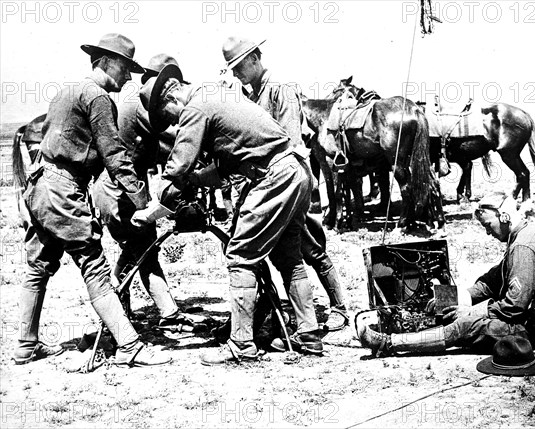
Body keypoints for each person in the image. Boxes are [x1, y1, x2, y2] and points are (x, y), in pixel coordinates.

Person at [131, 64, 324, 364]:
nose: (172, 124)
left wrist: (154, 211)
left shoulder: (195, 108)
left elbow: (178, 167)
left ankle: (242, 344)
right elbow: (225, 168)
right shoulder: (218, 93)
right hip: (294, 171)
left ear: (170, 99)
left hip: (273, 177)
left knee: (241, 255)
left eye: (167, 117)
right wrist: (196, 180)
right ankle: (309, 334)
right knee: (288, 254)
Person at [13, 33, 170, 367]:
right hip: (63, 190)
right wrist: (144, 203)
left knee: (37, 268)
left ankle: (26, 346)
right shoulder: (97, 97)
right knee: (94, 265)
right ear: (106, 62)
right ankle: (130, 347)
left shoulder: (67, 91)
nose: (129, 76)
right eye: (125, 67)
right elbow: (115, 156)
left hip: (41, 187)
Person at [222, 36, 349, 333]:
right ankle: (283, 316)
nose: (235, 73)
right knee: (280, 251)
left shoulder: (280, 90)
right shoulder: (252, 95)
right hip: (270, 184)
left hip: (288, 182)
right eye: (231, 68)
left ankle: (339, 306)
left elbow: (290, 142)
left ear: (254, 58)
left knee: (310, 247)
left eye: (238, 65)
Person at [357, 191, 535, 355]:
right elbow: (491, 282)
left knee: (464, 327)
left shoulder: (523, 247)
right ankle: (409, 331)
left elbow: (514, 307)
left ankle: (388, 343)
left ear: (504, 217)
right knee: (452, 312)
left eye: (488, 225)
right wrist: (448, 299)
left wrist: (472, 312)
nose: (487, 232)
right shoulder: (522, 237)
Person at [91, 54, 200, 332]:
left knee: (143, 250)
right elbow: (179, 139)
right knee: (138, 248)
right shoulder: (143, 106)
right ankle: (117, 309)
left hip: (127, 187)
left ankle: (165, 311)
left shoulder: (140, 103)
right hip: (120, 190)